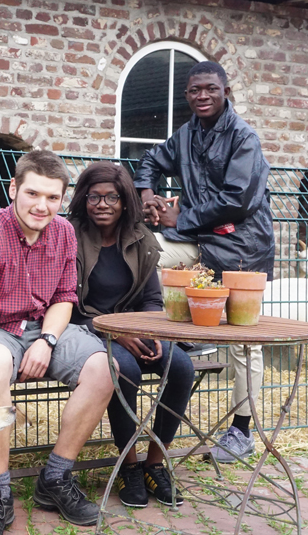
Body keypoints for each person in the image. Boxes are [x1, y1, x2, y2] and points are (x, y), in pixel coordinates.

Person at [0, 150, 114, 533]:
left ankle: (56, 477)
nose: (42, 206)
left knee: (104, 368)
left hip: (44, 328)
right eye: (33, 193)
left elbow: (64, 297)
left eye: (52, 197)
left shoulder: (64, 232)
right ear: (13, 188)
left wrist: (47, 340)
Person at [132, 60, 275, 464]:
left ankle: (242, 431)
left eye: (211, 88)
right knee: (147, 254)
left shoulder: (244, 138)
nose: (203, 96)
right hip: (198, 240)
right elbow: (151, 161)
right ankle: (175, 334)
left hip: (241, 246)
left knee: (245, 342)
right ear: (187, 95)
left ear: (226, 92)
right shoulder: (187, 134)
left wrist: (181, 218)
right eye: (195, 90)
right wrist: (147, 196)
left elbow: (237, 200)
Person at [68, 161, 194, 508]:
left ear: (124, 200)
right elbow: (68, 304)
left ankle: (155, 463)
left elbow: (152, 298)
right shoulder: (70, 235)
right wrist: (116, 331)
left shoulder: (139, 237)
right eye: (94, 197)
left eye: (111, 197)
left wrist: (150, 331)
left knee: (180, 367)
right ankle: (129, 465)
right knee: (126, 370)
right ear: (84, 198)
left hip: (135, 327)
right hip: (89, 329)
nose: (102, 204)